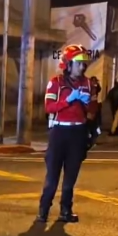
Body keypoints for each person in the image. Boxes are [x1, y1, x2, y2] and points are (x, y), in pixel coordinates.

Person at [37, 44, 94, 223]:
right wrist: (68, 100)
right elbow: (49, 107)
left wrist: (88, 104)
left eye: (84, 63)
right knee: (52, 177)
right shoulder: (56, 83)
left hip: (78, 132)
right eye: (79, 63)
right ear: (68, 64)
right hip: (59, 132)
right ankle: (43, 211)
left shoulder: (88, 83)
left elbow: (92, 112)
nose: (83, 67)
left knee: (70, 178)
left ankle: (65, 211)